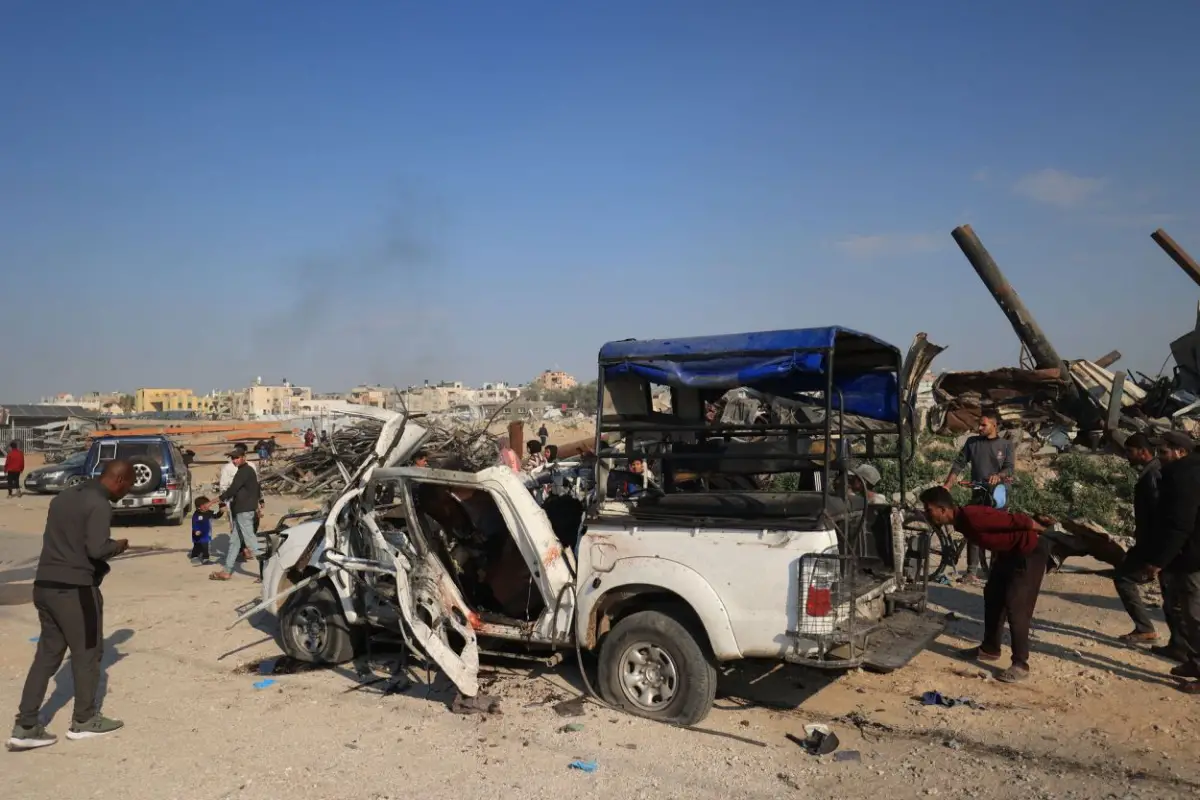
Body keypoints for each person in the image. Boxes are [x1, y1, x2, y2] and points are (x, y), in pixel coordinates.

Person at [8, 460, 133, 751]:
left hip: (44, 586)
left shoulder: (63, 497)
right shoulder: (99, 504)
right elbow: (97, 549)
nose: (126, 493)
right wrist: (119, 545)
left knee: (47, 656)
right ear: (119, 480)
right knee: (88, 653)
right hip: (76, 590)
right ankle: (85, 720)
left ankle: (25, 726)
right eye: (127, 487)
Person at [920, 486, 1053, 683]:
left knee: (1016, 605)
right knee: (993, 594)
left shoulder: (971, 516)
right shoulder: (961, 522)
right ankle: (990, 649)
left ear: (943, 509)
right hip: (1009, 553)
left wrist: (1046, 532)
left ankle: (1020, 664)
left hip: (1030, 551)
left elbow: (1017, 520)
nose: (927, 514)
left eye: (928, 509)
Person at [1130, 431, 1200, 693]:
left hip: (1191, 556)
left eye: (1164, 452)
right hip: (1181, 555)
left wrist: (1159, 560)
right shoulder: (1180, 473)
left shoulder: (1185, 477)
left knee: (1194, 614)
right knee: (1177, 607)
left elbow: (1179, 526)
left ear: (1181, 452)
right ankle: (1189, 656)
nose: (1160, 457)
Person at [1112, 433, 1173, 646]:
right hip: (1153, 543)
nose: (1127, 456)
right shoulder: (1151, 471)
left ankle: (1147, 629)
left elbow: (1158, 514)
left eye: (1130, 451)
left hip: (1153, 544)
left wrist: (1155, 554)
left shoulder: (1153, 474)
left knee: (1124, 578)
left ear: (1143, 452)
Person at [944, 409, 1015, 583]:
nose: (980, 428)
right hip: (978, 493)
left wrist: (999, 476)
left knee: (998, 533)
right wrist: (947, 485)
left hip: (998, 495)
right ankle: (971, 572)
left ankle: (996, 571)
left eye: (984, 425)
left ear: (994, 425)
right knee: (973, 530)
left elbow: (1009, 468)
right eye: (979, 425)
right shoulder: (972, 442)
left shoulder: (1006, 445)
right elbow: (959, 464)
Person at [210, 448, 262, 581]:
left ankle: (267, 572)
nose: (234, 461)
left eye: (237, 458)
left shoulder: (245, 471)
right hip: (240, 510)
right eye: (233, 458)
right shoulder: (244, 470)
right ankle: (227, 571)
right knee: (234, 542)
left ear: (244, 457)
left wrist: (214, 501)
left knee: (251, 542)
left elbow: (232, 489)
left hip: (244, 510)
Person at [189, 496, 222, 565]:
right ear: (199, 507)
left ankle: (206, 558)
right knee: (197, 546)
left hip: (206, 534)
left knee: (205, 546)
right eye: (205, 505)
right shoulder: (196, 514)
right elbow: (194, 523)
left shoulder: (209, 512)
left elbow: (216, 516)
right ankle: (194, 556)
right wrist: (196, 530)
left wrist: (221, 511)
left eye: (207, 504)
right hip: (197, 534)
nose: (207, 506)